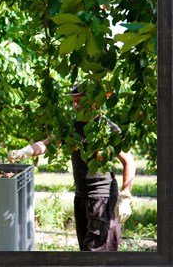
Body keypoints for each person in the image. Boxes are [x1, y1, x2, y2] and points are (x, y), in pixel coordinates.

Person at [8, 83, 136, 251]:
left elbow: (129, 161)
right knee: (84, 247)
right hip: (81, 196)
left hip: (101, 198)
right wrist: (25, 151)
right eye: (74, 101)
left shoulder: (107, 129)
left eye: (80, 101)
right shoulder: (72, 128)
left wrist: (125, 196)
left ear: (94, 102)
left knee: (97, 250)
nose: (75, 105)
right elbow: (47, 144)